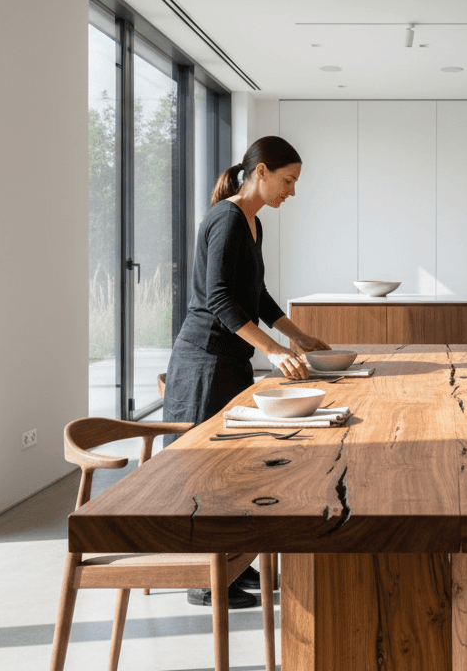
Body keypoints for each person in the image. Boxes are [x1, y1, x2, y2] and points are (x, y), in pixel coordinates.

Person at [164, 135, 330, 608]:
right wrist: (275, 351)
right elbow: (218, 298)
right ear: (260, 172)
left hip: (229, 361)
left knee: (233, 467)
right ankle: (206, 579)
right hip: (204, 362)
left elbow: (256, 296)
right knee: (207, 472)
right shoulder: (227, 218)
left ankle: (232, 566)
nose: (291, 192)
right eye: (287, 181)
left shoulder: (253, 223)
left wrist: (297, 335)